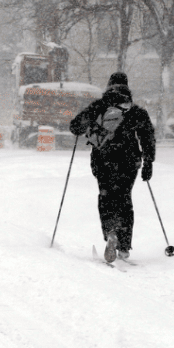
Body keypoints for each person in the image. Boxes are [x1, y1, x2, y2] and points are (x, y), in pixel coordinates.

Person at [69, 72, 156, 263]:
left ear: (109, 86)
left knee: (106, 197)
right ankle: (124, 246)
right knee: (124, 198)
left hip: (103, 161)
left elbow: (75, 127)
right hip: (129, 162)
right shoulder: (135, 111)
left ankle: (110, 232)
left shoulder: (100, 107)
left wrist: (94, 112)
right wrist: (148, 162)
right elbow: (147, 137)